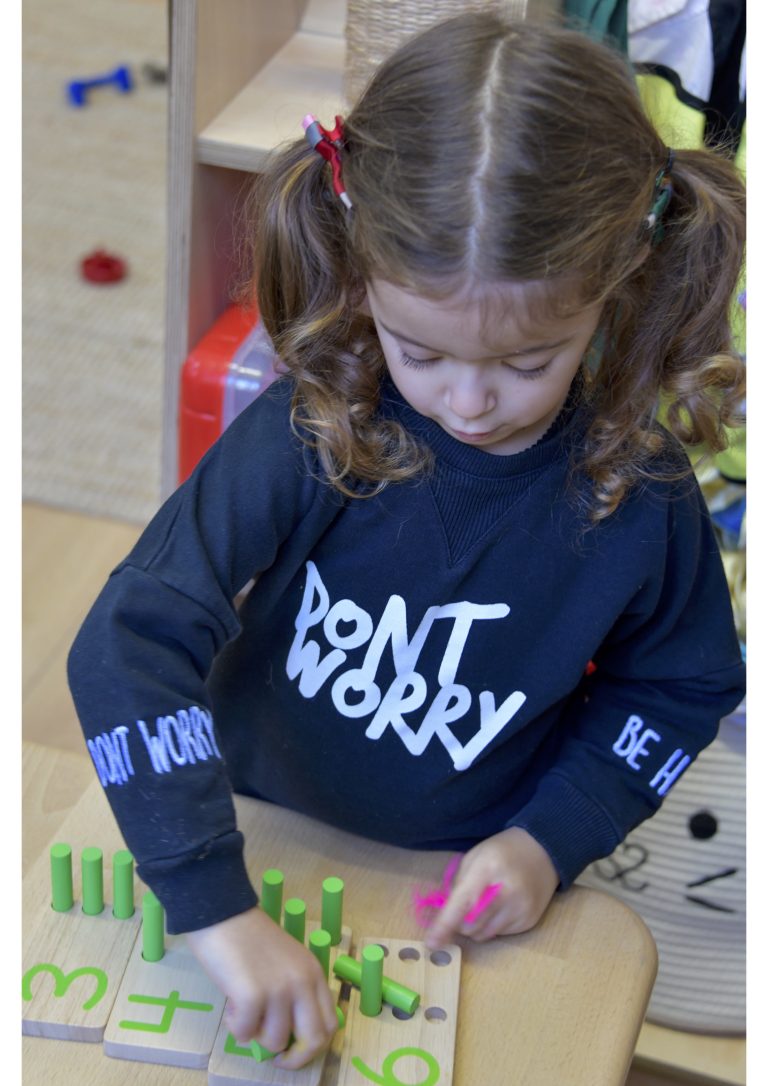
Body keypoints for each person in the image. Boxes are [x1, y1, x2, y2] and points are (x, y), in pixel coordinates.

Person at [67, 11, 746, 1070]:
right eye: (418, 348)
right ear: (361, 271)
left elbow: (679, 688)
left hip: (451, 889)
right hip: (242, 828)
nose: (470, 401)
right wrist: (214, 909)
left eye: (529, 361)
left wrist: (548, 840)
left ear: (616, 290)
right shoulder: (313, 427)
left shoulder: (642, 496)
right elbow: (126, 643)